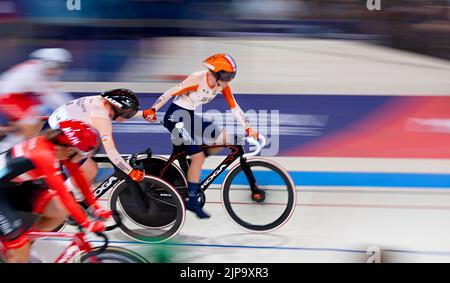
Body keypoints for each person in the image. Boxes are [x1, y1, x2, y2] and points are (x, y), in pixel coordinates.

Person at [143, 53, 259, 219]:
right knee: (198, 157)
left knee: (225, 138)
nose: (229, 80)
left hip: (188, 116)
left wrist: (248, 128)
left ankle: (195, 162)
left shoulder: (222, 85)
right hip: (175, 117)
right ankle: (191, 199)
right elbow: (171, 92)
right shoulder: (197, 79)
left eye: (231, 76)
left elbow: (235, 108)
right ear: (215, 73)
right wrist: (153, 109)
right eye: (226, 76)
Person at [0, 120, 112, 263]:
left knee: (60, 208)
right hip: (4, 190)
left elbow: (79, 178)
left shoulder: (58, 148)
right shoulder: (44, 154)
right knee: (20, 256)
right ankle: (19, 251)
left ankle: (23, 243)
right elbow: (63, 192)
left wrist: (96, 207)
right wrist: (86, 223)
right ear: (71, 149)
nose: (84, 158)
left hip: (10, 186)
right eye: (83, 154)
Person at [47, 89, 146, 200]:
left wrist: (143, 114)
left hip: (59, 124)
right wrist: (130, 172)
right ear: (117, 108)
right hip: (59, 133)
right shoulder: (101, 118)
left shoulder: (104, 100)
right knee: (90, 170)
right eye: (128, 114)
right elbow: (111, 152)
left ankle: (69, 192)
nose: (126, 118)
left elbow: (122, 110)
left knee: (92, 144)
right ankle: (62, 200)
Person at [0, 48, 74, 152]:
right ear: (49, 63)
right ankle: (5, 150)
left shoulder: (40, 69)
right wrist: (71, 107)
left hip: (21, 97)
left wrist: (71, 105)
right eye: (58, 66)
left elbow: (56, 94)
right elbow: (51, 95)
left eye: (62, 66)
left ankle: (14, 145)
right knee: (29, 124)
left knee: (38, 118)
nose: (59, 70)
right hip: (7, 98)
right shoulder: (33, 72)